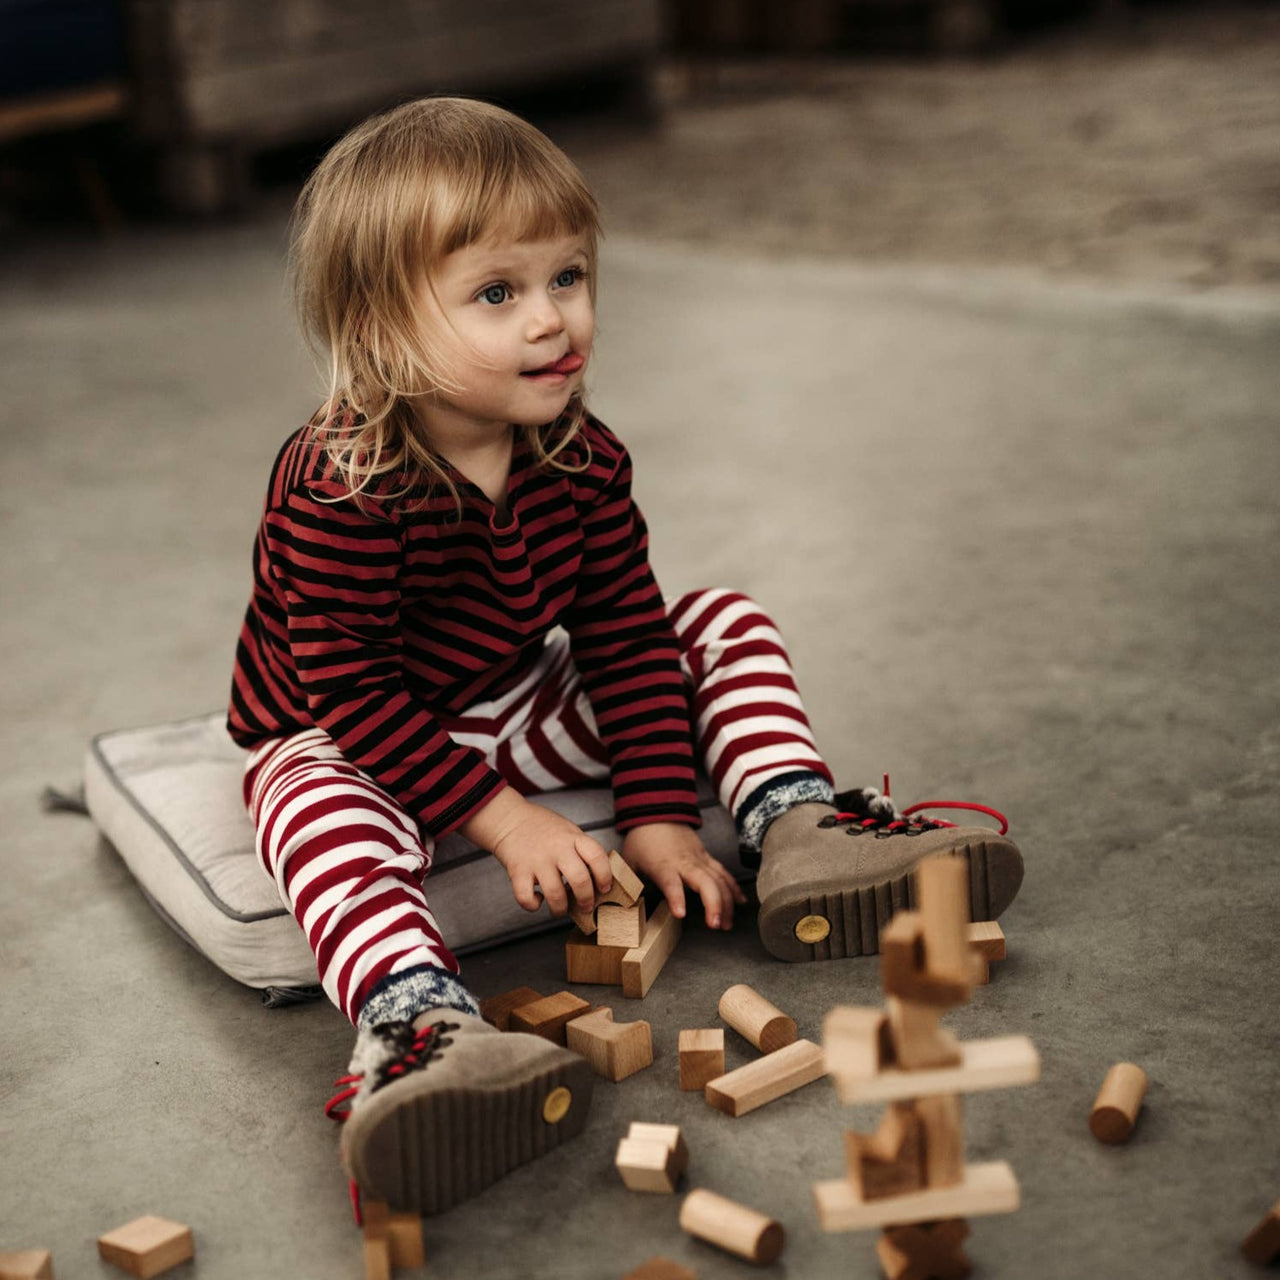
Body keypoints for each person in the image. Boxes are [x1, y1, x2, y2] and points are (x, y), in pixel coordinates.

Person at [226, 96, 1023, 1217]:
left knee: (717, 614)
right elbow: (348, 691)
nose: (554, 319)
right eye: (497, 293)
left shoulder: (579, 454)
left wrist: (652, 807)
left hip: (507, 695)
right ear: (378, 330)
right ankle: (419, 1023)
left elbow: (621, 632)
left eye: (568, 276)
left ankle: (790, 821)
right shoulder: (339, 486)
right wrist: (502, 817)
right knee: (311, 799)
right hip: (346, 726)